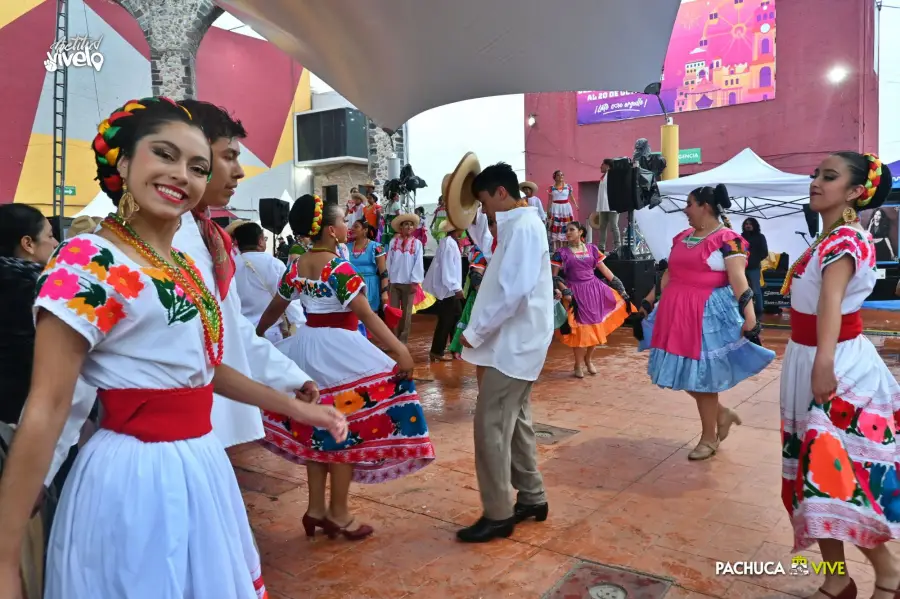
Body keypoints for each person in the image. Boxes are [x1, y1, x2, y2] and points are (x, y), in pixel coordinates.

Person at [0, 96, 347, 599]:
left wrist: (295, 406)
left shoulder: (182, 267)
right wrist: (7, 561)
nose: (181, 174)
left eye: (197, 165)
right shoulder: (88, 259)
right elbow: (50, 403)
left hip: (200, 463)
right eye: (164, 154)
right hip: (133, 474)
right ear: (124, 163)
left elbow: (204, 370)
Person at [255, 194, 435, 540]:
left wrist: (259, 335)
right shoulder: (338, 268)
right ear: (331, 231)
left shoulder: (295, 266)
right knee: (343, 432)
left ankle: (316, 509)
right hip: (341, 352)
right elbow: (367, 315)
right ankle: (337, 512)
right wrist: (399, 351)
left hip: (306, 349)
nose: (347, 226)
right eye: (342, 222)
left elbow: (277, 305)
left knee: (316, 431)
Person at [780, 153, 899, 599]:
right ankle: (836, 576)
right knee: (807, 481)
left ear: (854, 193)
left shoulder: (846, 239)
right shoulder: (826, 238)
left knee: (834, 478)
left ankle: (888, 573)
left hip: (835, 363)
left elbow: (832, 302)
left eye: (828, 177)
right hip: (806, 356)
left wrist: (823, 363)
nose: (815, 182)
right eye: (815, 174)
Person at [638, 184, 775, 461]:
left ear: (706, 207)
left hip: (705, 314)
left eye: (690, 204)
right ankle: (721, 413)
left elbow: (739, 280)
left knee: (702, 377)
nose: (685, 210)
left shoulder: (729, 239)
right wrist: (648, 301)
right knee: (679, 368)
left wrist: (750, 319)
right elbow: (669, 274)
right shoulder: (683, 237)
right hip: (675, 311)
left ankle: (708, 438)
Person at [457, 162, 553, 543]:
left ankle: (498, 514)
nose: (484, 212)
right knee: (516, 424)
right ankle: (531, 497)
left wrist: (475, 332)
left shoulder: (524, 227)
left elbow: (513, 292)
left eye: (484, 202)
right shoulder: (519, 226)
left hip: (516, 344)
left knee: (491, 427)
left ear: (500, 193)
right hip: (517, 343)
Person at [551, 222, 631, 378]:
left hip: (595, 291)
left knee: (594, 328)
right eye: (566, 231)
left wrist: (619, 286)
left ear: (581, 232)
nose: (568, 233)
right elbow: (554, 276)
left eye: (572, 230)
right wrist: (562, 289)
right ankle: (578, 364)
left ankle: (588, 360)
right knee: (580, 331)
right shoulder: (560, 253)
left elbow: (604, 270)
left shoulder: (592, 249)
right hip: (575, 294)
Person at [232, 221, 305, 343]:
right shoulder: (273, 264)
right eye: (264, 238)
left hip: (240, 333)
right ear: (260, 241)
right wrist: (299, 324)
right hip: (269, 332)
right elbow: (289, 297)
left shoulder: (230, 265)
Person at [423, 220, 464, 361]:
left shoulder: (450, 242)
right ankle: (437, 350)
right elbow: (447, 268)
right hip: (448, 289)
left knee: (454, 318)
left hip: (449, 288)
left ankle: (453, 348)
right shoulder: (448, 243)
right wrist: (456, 287)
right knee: (447, 320)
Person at [386, 213, 425, 343]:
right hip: (395, 281)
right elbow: (389, 261)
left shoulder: (417, 243)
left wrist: (415, 281)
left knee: (407, 313)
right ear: (401, 227)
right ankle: (394, 339)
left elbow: (418, 262)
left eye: (411, 224)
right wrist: (388, 279)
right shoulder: (393, 242)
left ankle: (403, 339)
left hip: (409, 282)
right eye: (405, 224)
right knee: (394, 312)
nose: (408, 226)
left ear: (413, 228)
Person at [348, 219, 389, 315]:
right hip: (352, 285)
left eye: (356, 227)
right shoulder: (346, 247)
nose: (352, 229)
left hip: (370, 286)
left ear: (365, 230)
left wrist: (384, 292)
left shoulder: (377, 247)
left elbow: (383, 272)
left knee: (370, 317)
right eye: (352, 226)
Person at [741, 217, 768, 317]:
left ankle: (759, 310)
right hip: (741, 267)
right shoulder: (741, 237)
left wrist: (755, 260)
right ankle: (743, 310)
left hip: (754, 268)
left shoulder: (760, 237)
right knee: (742, 289)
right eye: (746, 224)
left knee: (756, 290)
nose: (748, 225)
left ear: (754, 225)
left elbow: (764, 252)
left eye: (750, 224)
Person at [593, 159, 620, 254]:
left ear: (608, 166)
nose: (600, 167)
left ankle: (618, 246)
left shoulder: (613, 176)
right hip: (603, 206)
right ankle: (601, 248)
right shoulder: (603, 177)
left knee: (614, 226)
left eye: (602, 164)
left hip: (612, 206)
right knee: (602, 227)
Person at [547, 170, 578, 251]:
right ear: (555, 177)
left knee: (566, 226)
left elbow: (571, 197)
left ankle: (566, 249)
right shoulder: (551, 188)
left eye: (562, 175)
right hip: (555, 208)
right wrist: (548, 210)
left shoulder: (568, 187)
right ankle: (556, 250)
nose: (561, 176)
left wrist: (575, 204)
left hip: (566, 208)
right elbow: (550, 200)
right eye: (558, 175)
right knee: (556, 227)